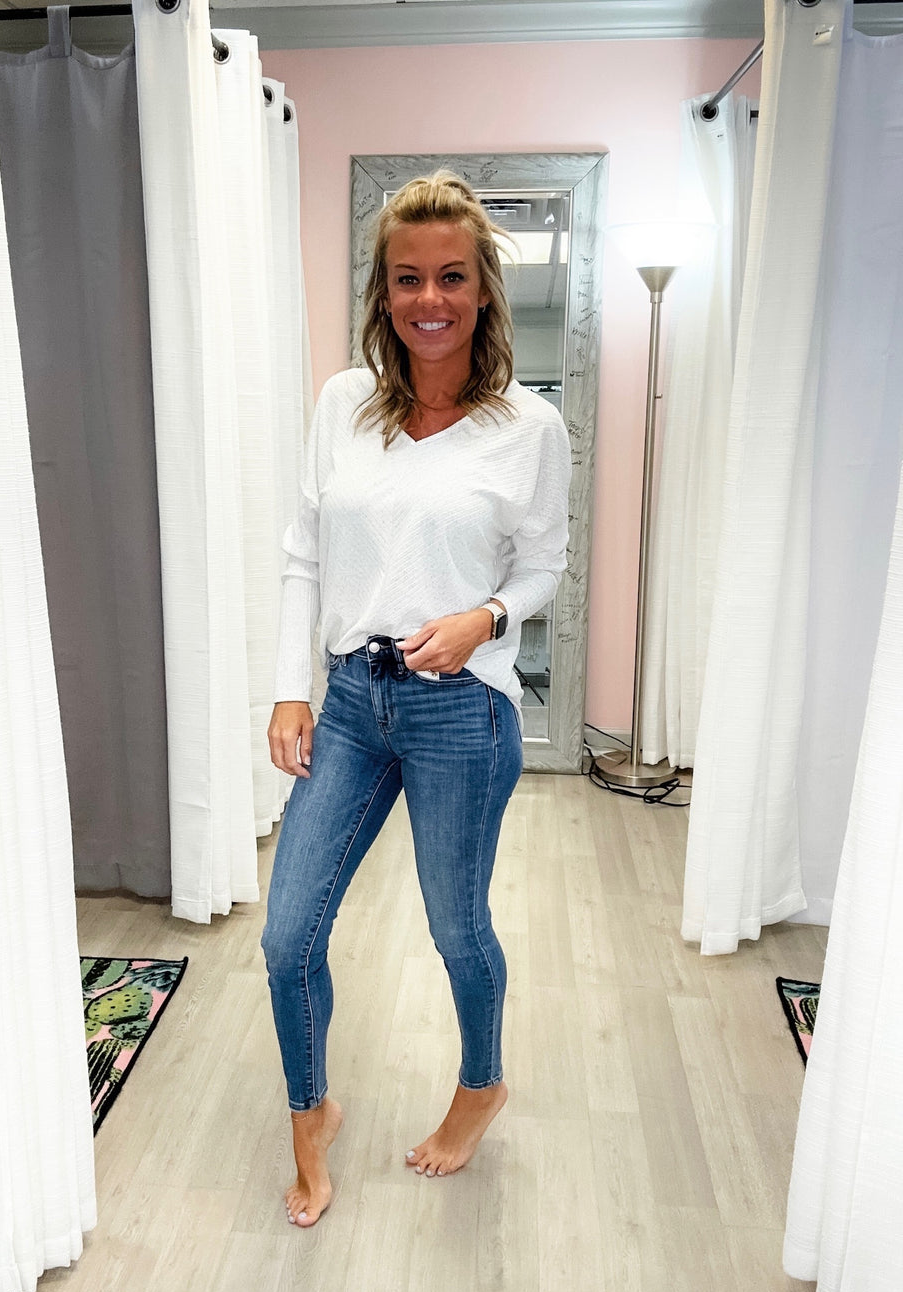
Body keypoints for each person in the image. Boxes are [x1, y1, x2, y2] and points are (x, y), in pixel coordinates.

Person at [262, 171, 571, 1228]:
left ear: (482, 290)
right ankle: (310, 1113)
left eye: (450, 277)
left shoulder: (528, 427)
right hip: (352, 701)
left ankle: (481, 1083)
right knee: (287, 936)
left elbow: (543, 565)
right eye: (407, 278)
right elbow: (303, 553)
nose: (428, 298)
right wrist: (288, 691)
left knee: (456, 927)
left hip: (460, 712)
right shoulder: (342, 404)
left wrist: (485, 616)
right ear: (382, 291)